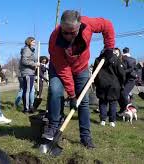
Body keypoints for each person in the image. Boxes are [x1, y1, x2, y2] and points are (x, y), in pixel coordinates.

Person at [42, 10, 115, 149]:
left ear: (79, 25)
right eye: (65, 32)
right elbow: (64, 71)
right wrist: (72, 95)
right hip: (59, 68)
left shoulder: (88, 23)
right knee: (55, 90)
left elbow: (107, 25)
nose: (69, 36)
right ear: (61, 27)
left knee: (84, 101)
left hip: (81, 68)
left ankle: (85, 137)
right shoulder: (55, 39)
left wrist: (109, 47)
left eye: (73, 32)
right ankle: (53, 126)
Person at [93, 49, 125, 128]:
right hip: (114, 85)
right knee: (113, 102)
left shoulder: (98, 60)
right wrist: (122, 83)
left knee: (103, 102)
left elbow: (95, 73)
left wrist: (97, 83)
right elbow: (121, 73)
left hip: (102, 84)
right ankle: (112, 121)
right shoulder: (115, 59)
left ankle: (103, 120)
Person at [20, 37, 40, 113]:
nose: (34, 43)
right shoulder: (26, 50)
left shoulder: (31, 50)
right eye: (33, 42)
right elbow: (24, 61)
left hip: (31, 72)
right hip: (27, 73)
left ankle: (29, 106)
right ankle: (26, 108)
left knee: (29, 90)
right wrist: (34, 64)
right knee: (27, 91)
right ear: (29, 42)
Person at [118, 47, 137, 115]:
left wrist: (122, 71)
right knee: (120, 94)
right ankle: (123, 109)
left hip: (130, 79)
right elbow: (134, 69)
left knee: (123, 93)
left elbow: (132, 69)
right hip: (125, 79)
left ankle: (127, 107)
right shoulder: (127, 59)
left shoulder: (128, 59)